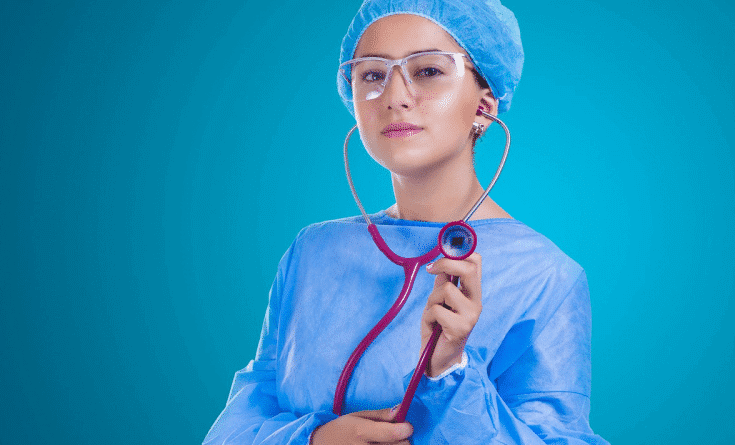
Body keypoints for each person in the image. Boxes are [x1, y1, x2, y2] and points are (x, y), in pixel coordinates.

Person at [203, 0, 608, 443]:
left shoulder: (545, 275)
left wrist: (450, 371)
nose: (395, 97)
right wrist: (314, 440)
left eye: (428, 71)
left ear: (484, 107)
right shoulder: (313, 252)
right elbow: (239, 422)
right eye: (373, 75)